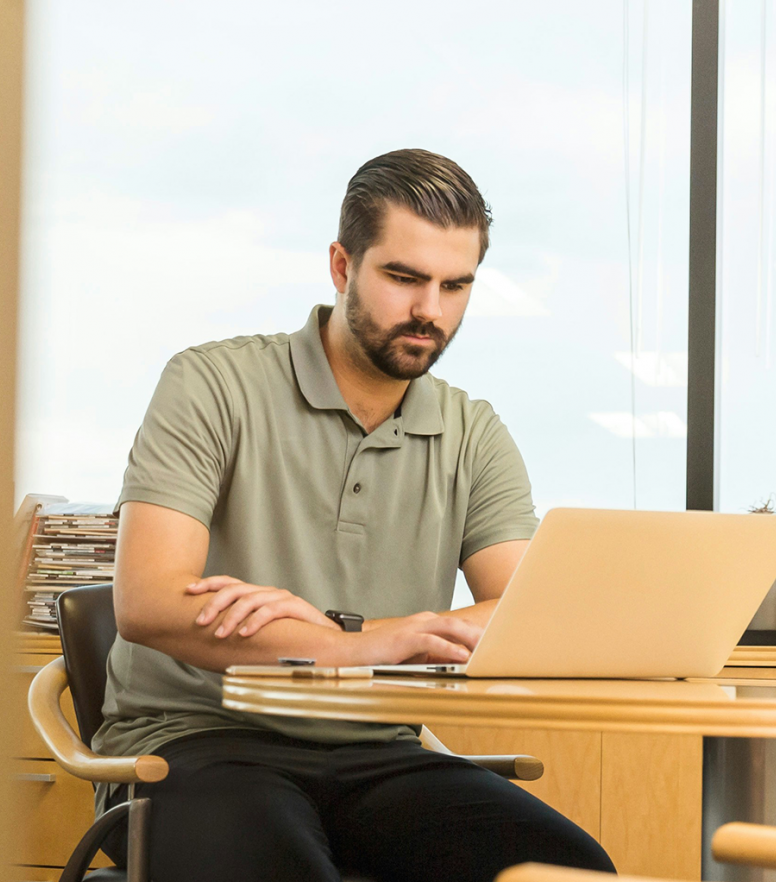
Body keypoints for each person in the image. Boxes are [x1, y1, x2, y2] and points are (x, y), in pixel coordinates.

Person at [93, 148, 615, 881]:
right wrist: (371, 641)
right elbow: (149, 600)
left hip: (380, 750)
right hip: (196, 741)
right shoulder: (211, 382)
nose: (430, 311)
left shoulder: (473, 430)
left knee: (567, 868)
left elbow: (527, 613)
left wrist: (346, 635)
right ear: (342, 267)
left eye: (455, 285)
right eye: (404, 278)